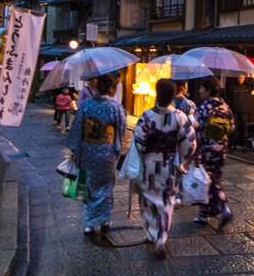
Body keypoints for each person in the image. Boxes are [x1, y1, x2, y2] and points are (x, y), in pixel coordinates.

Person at [133, 79, 195, 257]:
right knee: (166, 202)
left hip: (149, 164)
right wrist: (183, 160)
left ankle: (151, 232)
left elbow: (139, 140)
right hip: (169, 164)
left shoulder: (146, 116)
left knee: (147, 200)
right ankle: (161, 237)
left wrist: (145, 151)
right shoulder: (180, 117)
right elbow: (190, 142)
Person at [66, 74, 127, 238]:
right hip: (106, 152)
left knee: (88, 186)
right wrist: (117, 148)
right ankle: (105, 221)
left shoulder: (86, 106)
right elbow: (121, 129)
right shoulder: (115, 107)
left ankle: (89, 224)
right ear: (111, 89)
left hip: (87, 150)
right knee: (106, 186)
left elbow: (77, 128)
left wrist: (76, 150)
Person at [195, 78, 234, 227]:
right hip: (221, 147)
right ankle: (203, 214)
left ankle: (224, 208)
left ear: (208, 90)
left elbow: (197, 128)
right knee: (213, 178)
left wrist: (195, 149)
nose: (199, 91)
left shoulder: (205, 107)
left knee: (208, 181)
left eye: (202, 88)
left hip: (206, 148)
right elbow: (231, 127)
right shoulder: (225, 106)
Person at [227, 73, 254, 150]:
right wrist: (229, 109)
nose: (240, 79)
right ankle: (232, 144)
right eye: (239, 78)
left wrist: (249, 76)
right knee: (234, 128)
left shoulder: (248, 87)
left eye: (242, 78)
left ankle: (245, 145)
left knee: (245, 128)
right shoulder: (232, 87)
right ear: (237, 78)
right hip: (235, 111)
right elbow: (229, 99)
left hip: (244, 110)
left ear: (244, 79)